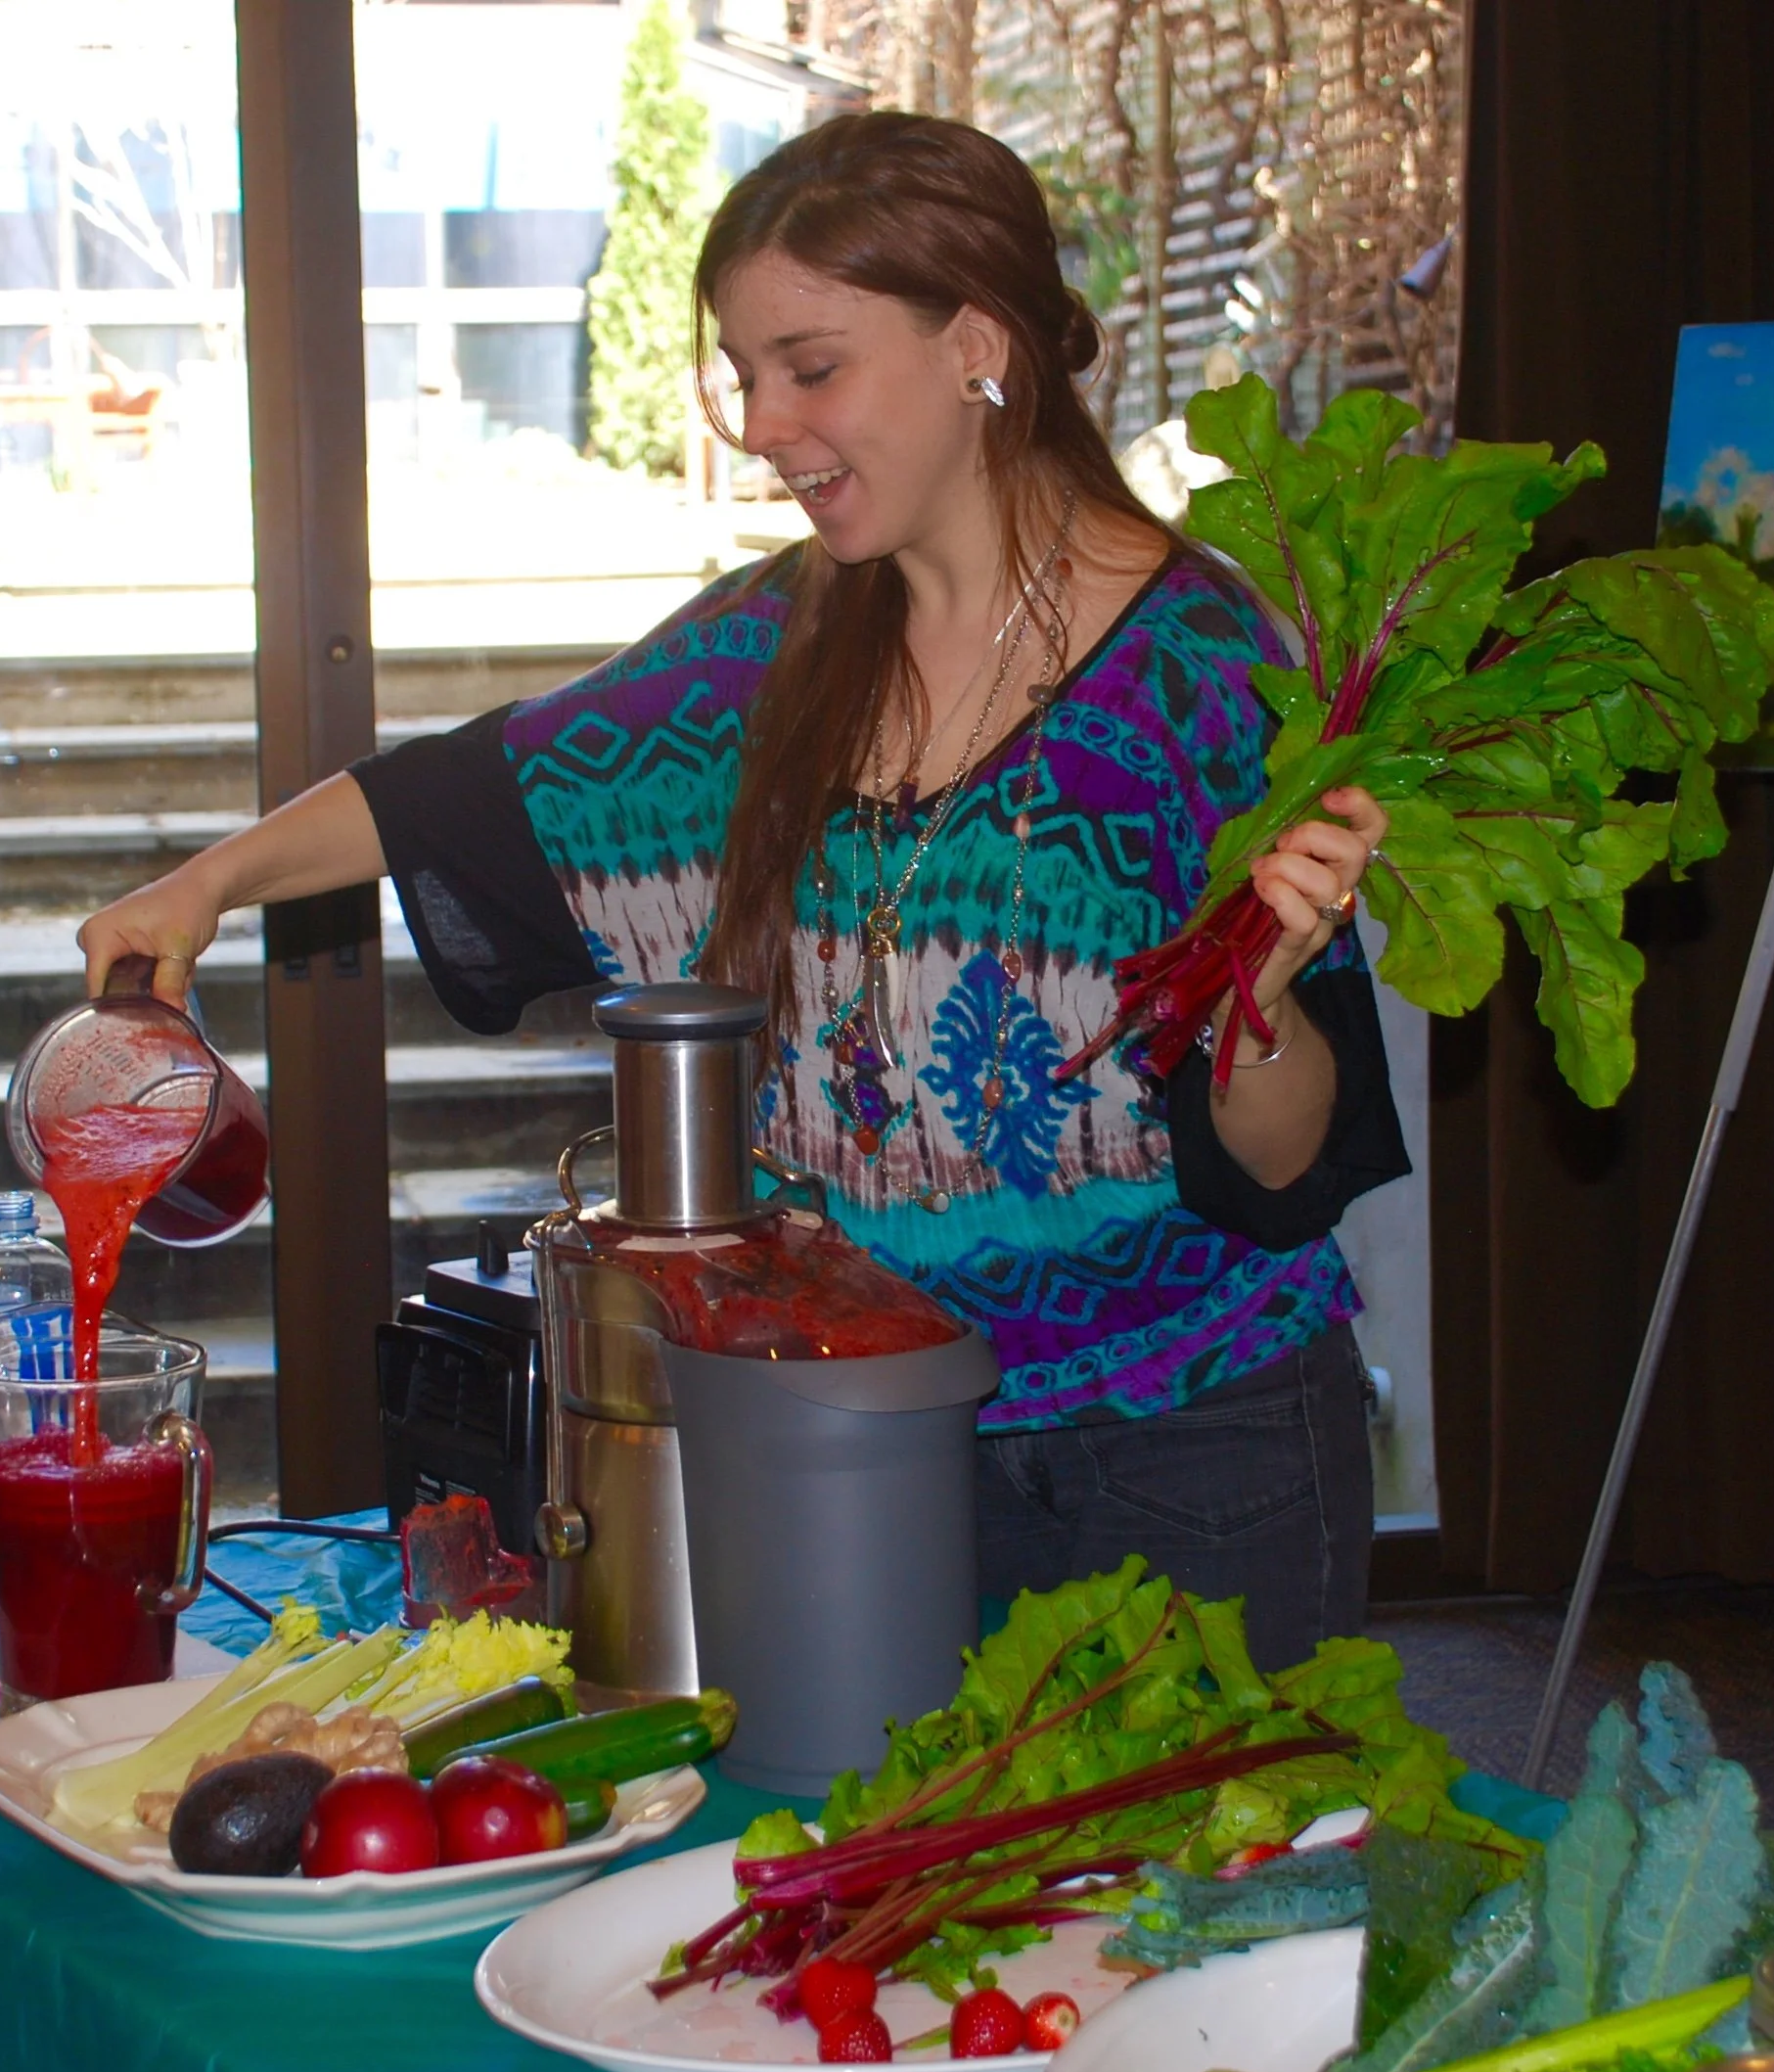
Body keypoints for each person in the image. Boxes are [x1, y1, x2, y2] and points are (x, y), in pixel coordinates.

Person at [79, 114, 1409, 1670]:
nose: (763, 423)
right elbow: (473, 791)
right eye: (743, 373)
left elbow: (1283, 1157)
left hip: (1188, 1459)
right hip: (869, 1446)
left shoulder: (1202, 672)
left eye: (810, 365)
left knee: (1182, 1909)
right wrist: (206, 886)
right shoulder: (772, 650)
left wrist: (1247, 1013)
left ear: (976, 344)